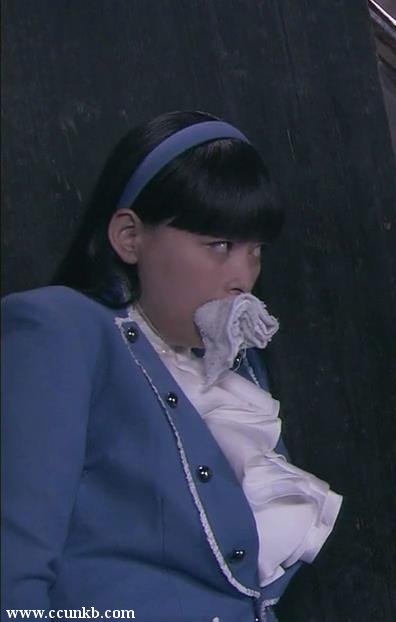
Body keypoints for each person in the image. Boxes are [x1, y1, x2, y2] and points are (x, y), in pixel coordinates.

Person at [1, 111, 342, 620]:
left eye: (255, 251)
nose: (242, 277)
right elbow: (12, 572)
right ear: (129, 236)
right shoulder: (62, 329)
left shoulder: (237, 367)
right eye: (220, 245)